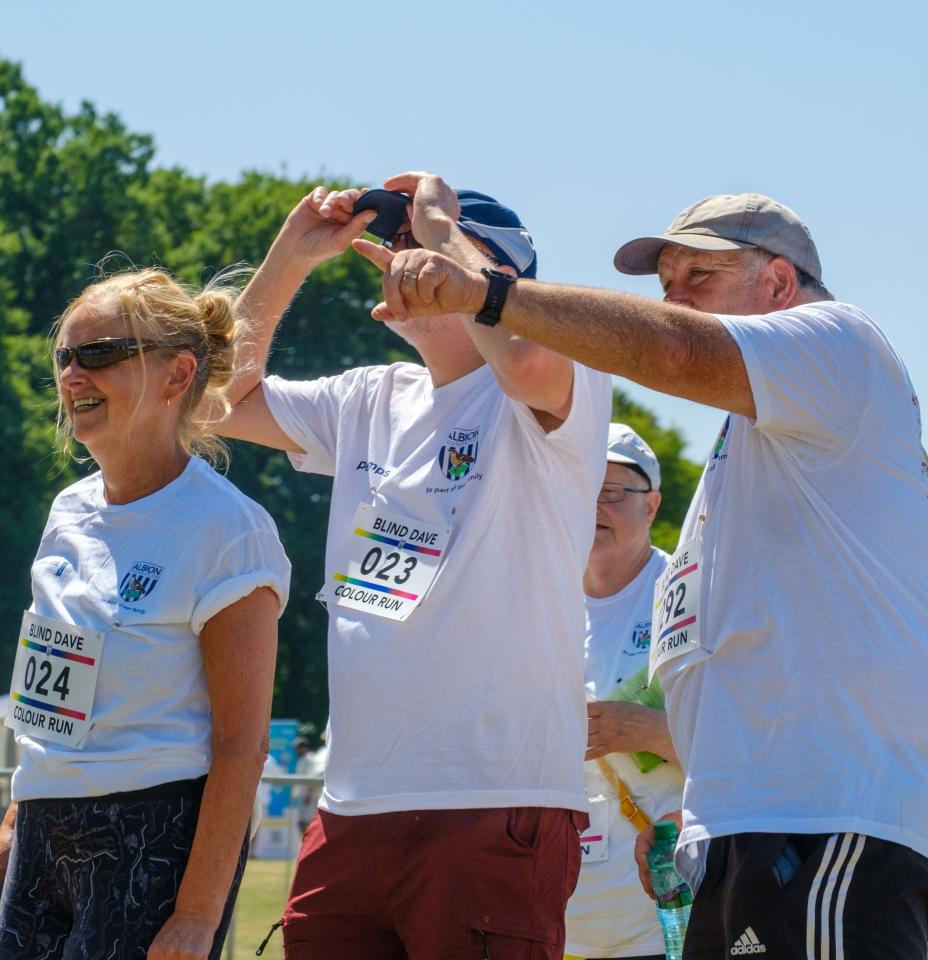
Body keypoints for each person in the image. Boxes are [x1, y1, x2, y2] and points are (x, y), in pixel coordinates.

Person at [353, 175, 928, 959]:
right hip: (753, 824)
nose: (676, 299)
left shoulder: (839, 342)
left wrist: (481, 287)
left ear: (781, 281)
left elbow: (666, 346)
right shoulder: (765, 444)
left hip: (827, 818)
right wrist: (689, 821)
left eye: (702, 276)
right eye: (665, 285)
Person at [218, 186, 611, 959]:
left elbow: (527, 353)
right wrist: (291, 254)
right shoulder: (370, 396)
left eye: (416, 246)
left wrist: (441, 236)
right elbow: (219, 402)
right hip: (354, 808)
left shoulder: (559, 374)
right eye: (396, 246)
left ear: (490, 266)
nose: (396, 258)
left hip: (493, 802)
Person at [0, 268, 292, 960]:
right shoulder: (66, 514)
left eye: (101, 354)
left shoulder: (228, 529)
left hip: (154, 832)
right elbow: (52, 700)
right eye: (65, 357)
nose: (74, 375)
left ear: (177, 376)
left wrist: (200, 913)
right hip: (45, 837)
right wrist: (14, 825)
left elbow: (241, 745)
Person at [566, 424, 684, 960]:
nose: (594, 505)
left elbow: (766, 747)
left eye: (613, 491)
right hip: (554, 913)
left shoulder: (692, 598)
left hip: (665, 913)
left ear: (652, 506)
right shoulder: (534, 599)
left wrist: (654, 732)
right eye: (581, 486)